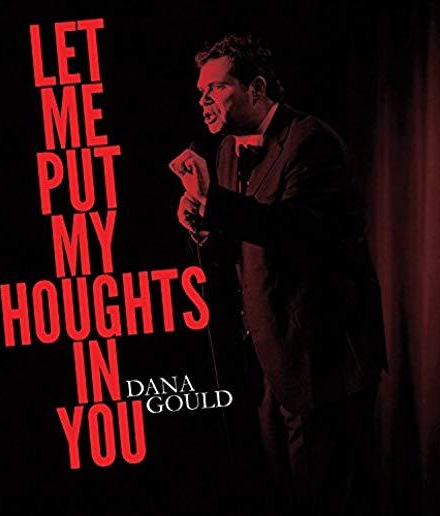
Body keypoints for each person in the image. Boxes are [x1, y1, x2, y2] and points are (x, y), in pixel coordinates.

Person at [169, 34, 388, 515]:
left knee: (327, 496)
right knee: (286, 489)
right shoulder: (226, 151)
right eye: (200, 90)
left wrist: (214, 202)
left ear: (256, 88)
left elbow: (294, 230)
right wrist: (199, 220)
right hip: (272, 360)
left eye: (216, 87)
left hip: (323, 362)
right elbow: (242, 237)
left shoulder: (311, 141)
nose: (202, 99)